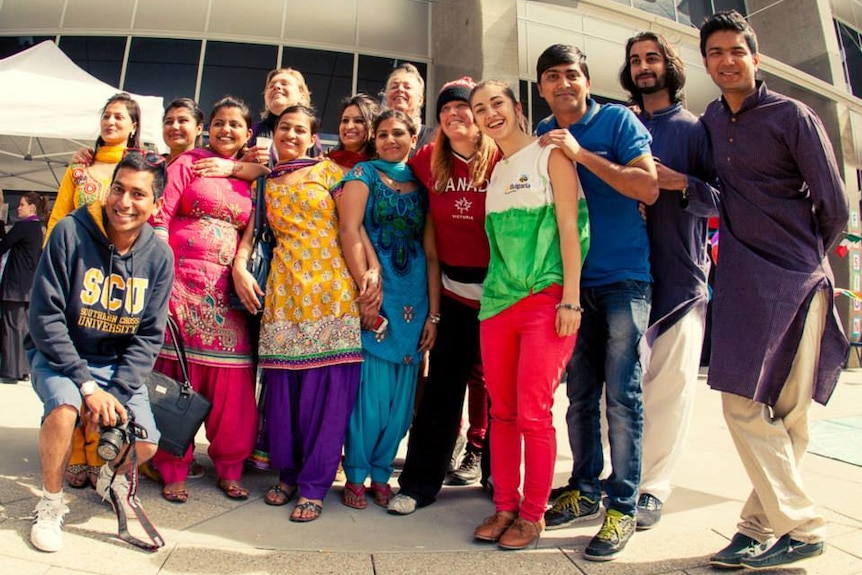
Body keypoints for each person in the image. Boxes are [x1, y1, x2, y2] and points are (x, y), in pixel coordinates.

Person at [699, 11, 848, 570]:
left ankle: (774, 526)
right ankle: (780, 524)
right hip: (742, 283)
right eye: (715, 52)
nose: (726, 60)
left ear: (754, 57)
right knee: (742, 400)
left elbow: (834, 205)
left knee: (788, 414)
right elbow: (714, 190)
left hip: (797, 282)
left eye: (736, 50)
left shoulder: (794, 116)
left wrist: (803, 258)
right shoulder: (711, 121)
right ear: (706, 61)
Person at [536, 44, 659, 561]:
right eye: (552, 77)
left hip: (623, 279)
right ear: (541, 86)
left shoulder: (617, 122)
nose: (563, 84)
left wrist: (581, 155)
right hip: (570, 285)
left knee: (621, 397)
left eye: (572, 75)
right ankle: (584, 488)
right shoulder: (544, 130)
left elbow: (649, 188)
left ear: (586, 81)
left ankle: (622, 504)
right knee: (581, 395)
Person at [27, 150, 173, 553]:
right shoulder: (70, 233)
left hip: (115, 364)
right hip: (62, 354)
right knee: (64, 408)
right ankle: (50, 504)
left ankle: (109, 476)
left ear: (156, 204)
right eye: (119, 190)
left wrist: (119, 391)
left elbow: (148, 335)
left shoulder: (160, 256)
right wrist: (87, 386)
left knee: (144, 443)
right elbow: (45, 317)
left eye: (138, 195)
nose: (125, 203)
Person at [466, 81, 584, 550]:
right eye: (479, 109)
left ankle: (533, 516)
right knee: (504, 412)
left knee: (534, 413)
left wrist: (570, 297)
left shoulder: (550, 154)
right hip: (497, 305)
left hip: (545, 299)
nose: (489, 113)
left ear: (517, 109)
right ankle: (504, 508)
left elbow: (572, 227)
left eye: (496, 103)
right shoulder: (495, 174)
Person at [233, 105, 363, 523]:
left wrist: (369, 275)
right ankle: (287, 474)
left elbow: (352, 229)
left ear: (313, 137)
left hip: (331, 293)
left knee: (326, 395)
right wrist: (239, 266)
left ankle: (315, 485)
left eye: (300, 129)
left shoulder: (330, 174)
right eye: (284, 127)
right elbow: (251, 235)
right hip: (284, 294)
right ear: (274, 133)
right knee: (284, 394)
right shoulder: (264, 183)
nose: (290, 134)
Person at [619, 32, 719, 530]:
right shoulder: (620, 123)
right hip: (621, 279)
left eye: (651, 58)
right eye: (635, 60)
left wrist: (679, 183)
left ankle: (653, 488)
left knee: (671, 389)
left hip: (680, 279)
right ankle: (620, 480)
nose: (643, 67)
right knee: (620, 389)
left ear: (669, 66)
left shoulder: (696, 130)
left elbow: (724, 199)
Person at [388, 76, 501, 515]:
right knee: (442, 392)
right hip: (453, 293)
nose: (455, 115)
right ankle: (418, 484)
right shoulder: (426, 162)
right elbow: (381, 161)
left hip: (499, 293)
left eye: (463, 107)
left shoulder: (502, 159)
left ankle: (500, 479)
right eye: (446, 110)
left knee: (500, 392)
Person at [150, 96, 262, 504]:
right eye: (218, 123)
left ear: (247, 132)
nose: (225, 130)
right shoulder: (188, 163)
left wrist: (241, 167)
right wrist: (162, 281)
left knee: (232, 386)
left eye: (235, 124)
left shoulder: (251, 178)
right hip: (181, 289)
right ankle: (172, 467)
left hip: (227, 296)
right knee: (176, 379)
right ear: (207, 128)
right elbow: (160, 216)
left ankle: (229, 467)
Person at [336, 109, 440, 510]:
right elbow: (349, 229)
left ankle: (382, 473)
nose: (390, 140)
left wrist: (433, 314)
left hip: (414, 298)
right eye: (382, 134)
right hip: (376, 293)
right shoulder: (361, 176)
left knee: (401, 397)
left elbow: (431, 253)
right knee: (370, 393)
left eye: (399, 133)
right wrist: (365, 286)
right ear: (373, 140)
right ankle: (357, 473)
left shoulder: (422, 186)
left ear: (413, 138)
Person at [47, 93, 141, 490]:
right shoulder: (79, 167)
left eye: (120, 116)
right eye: (107, 115)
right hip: (74, 273)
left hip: (116, 279)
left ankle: (96, 449)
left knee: (105, 360)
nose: (112, 122)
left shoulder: (137, 167)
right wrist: (49, 263)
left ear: (134, 125)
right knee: (74, 358)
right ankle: (76, 452)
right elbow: (58, 215)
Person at [0, 192, 47, 383]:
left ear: (31, 208)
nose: (18, 208)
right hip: (27, 287)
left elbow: (4, 245)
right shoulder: (37, 228)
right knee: (22, 329)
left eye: (21, 204)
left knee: (11, 328)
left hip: (15, 287)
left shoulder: (24, 226)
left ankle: (11, 370)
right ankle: (23, 368)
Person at [383, 63, 435, 153]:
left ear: (420, 99)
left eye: (407, 87)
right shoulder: (374, 138)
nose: (400, 89)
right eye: (394, 87)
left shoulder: (434, 139)